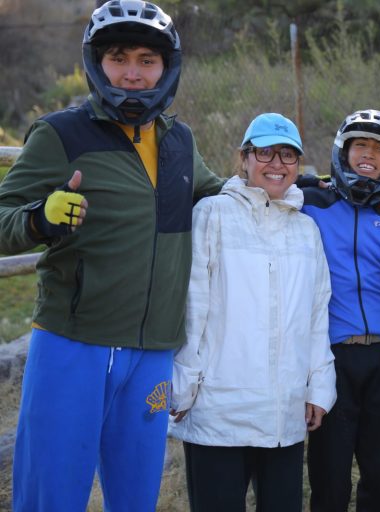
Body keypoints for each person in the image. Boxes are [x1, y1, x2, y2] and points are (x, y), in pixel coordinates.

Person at [0, 1, 224, 510]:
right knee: (50, 497)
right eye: (119, 57)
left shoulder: (179, 141)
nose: (133, 72)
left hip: (152, 354)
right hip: (73, 346)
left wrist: (291, 188)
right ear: (95, 63)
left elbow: (222, 200)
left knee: (136, 499)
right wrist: (39, 218)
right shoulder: (60, 134)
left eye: (148, 59)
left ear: (167, 67)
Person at [168, 113, 336, 512]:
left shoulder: (306, 230)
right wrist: (183, 383)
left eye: (288, 155)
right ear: (244, 158)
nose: (276, 164)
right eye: (265, 152)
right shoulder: (212, 214)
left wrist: (319, 386)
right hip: (218, 410)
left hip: (284, 413)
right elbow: (193, 306)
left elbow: (316, 314)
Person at [303, 109, 380, 512]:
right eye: (361, 145)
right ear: (344, 151)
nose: (369, 154)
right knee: (329, 463)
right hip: (332, 352)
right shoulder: (310, 202)